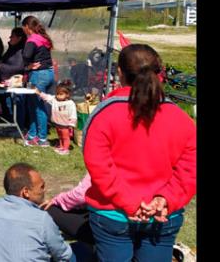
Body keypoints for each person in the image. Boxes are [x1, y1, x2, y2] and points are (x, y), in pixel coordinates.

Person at [83, 44, 196, 261]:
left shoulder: (104, 114)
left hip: (113, 214)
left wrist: (130, 202)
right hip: (162, 215)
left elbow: (99, 167)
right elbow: (190, 169)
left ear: (119, 73)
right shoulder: (181, 119)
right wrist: (165, 199)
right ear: (160, 73)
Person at [0, 163, 78, 262]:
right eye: (41, 186)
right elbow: (63, 255)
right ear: (26, 192)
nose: (44, 190)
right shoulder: (41, 219)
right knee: (80, 252)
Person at [21, 15, 55, 147]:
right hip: (48, 73)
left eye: (23, 28)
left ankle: (42, 139)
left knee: (38, 107)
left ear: (27, 27)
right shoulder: (43, 38)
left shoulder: (32, 39)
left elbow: (26, 56)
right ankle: (32, 134)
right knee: (34, 105)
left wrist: (27, 66)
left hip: (39, 75)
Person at [41, 173, 95, 246]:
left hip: (102, 228)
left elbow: (81, 195)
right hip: (111, 217)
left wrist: (56, 200)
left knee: (48, 208)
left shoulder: (101, 163)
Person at [34, 80, 77, 155]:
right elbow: (47, 97)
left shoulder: (70, 103)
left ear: (67, 95)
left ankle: (66, 149)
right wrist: (39, 93)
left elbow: (73, 114)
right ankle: (61, 146)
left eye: (61, 94)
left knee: (65, 137)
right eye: (57, 94)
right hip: (57, 123)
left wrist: (71, 125)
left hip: (65, 124)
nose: (58, 96)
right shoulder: (54, 99)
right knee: (60, 136)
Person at [0, 27, 28, 129]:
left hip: (17, 83)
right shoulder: (12, 49)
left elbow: (19, 67)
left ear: (19, 38)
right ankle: (11, 125)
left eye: (12, 36)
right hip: (7, 82)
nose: (10, 38)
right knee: (9, 104)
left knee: (18, 105)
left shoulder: (21, 50)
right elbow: (4, 59)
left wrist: (2, 67)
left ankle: (19, 127)